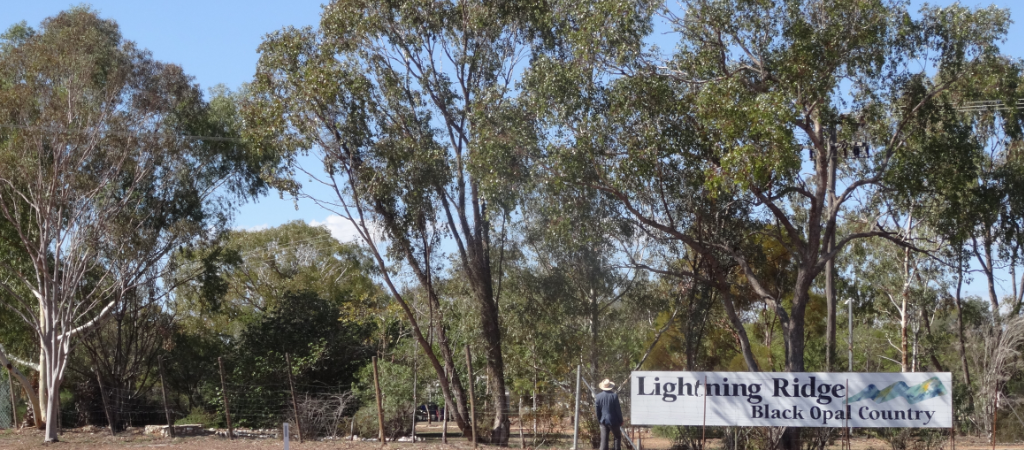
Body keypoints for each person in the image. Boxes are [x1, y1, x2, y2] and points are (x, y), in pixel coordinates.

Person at [595, 379, 623, 450]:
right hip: (614, 421)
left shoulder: (598, 396)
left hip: (603, 421)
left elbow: (597, 411)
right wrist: (620, 420)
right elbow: (618, 410)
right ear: (610, 386)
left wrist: (600, 420)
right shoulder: (614, 396)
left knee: (604, 441)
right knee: (617, 437)